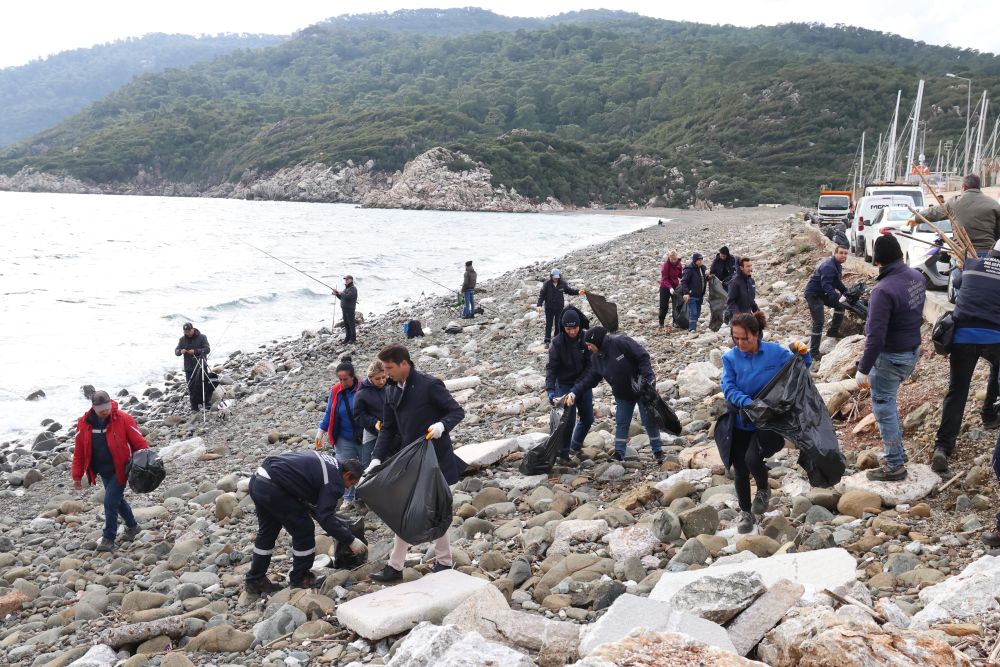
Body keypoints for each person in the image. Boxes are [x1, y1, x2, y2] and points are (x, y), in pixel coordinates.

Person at [367, 344, 466, 582]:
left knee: (435, 510)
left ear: (404, 364)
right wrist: (376, 458)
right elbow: (388, 428)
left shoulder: (429, 385)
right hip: (410, 460)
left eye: (390, 368)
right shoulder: (391, 389)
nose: (387, 373)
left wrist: (442, 425)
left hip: (436, 460)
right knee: (406, 510)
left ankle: (439, 562)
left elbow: (456, 411)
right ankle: (399, 566)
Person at [720, 312, 811, 533]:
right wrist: (747, 402)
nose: (740, 343)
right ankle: (745, 513)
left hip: (768, 421)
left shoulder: (774, 352)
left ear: (757, 334)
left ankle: (763, 490)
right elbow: (728, 386)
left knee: (753, 458)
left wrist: (804, 354)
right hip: (742, 419)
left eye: (745, 338)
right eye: (736, 338)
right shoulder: (730, 358)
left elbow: (798, 369)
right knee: (740, 468)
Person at [855, 235, 926, 481]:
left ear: (878, 261)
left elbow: (875, 337)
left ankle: (894, 464)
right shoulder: (917, 277)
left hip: (891, 357)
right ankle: (898, 452)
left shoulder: (882, 291)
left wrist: (862, 369)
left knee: (884, 405)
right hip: (911, 352)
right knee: (890, 402)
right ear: (900, 254)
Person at [245, 450, 365, 594]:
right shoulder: (335, 480)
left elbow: (306, 491)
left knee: (268, 532)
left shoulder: (330, 463)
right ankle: (300, 578)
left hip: (259, 480)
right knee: (304, 529)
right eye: (351, 482)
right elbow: (325, 517)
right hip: (274, 487)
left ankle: (255, 580)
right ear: (346, 474)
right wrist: (351, 540)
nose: (348, 487)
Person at [933, 239, 1000, 475]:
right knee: (996, 369)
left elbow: (957, 288)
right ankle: (989, 415)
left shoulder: (971, 264)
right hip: (994, 338)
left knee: (958, 389)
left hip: (961, 336)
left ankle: (943, 447)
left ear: (991, 252)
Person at [566, 327, 665, 464]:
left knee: (648, 420)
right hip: (622, 394)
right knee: (622, 422)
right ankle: (619, 453)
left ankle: (658, 451)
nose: (588, 348)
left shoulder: (621, 342)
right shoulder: (596, 358)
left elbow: (642, 356)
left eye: (589, 344)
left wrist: (649, 378)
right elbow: (590, 378)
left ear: (597, 341)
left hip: (643, 390)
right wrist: (574, 392)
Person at [71, 390, 148, 551]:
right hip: (102, 470)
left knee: (110, 502)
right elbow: (79, 451)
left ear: (110, 403)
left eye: (107, 407)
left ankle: (108, 538)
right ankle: (133, 527)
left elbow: (140, 443)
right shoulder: (84, 423)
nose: (105, 411)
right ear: (93, 408)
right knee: (117, 501)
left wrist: (145, 462)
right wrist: (77, 475)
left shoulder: (123, 419)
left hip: (121, 468)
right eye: (101, 409)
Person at [545, 309, 594, 463]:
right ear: (563, 328)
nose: (572, 332)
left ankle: (576, 445)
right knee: (568, 421)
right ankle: (564, 454)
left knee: (588, 418)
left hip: (583, 383)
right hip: (565, 384)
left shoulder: (586, 339)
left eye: (575, 328)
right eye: (568, 329)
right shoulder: (557, 343)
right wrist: (551, 390)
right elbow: (552, 368)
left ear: (579, 326)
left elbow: (591, 366)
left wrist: (579, 387)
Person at [316, 359, 362, 506]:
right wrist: (321, 431)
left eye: (345, 379)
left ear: (353, 377)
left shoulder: (363, 388)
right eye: (340, 379)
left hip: (363, 436)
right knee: (343, 468)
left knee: (366, 467)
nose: (342, 382)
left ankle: (364, 497)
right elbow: (329, 411)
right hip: (343, 436)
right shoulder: (336, 390)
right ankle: (348, 498)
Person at [924, 174, 1000, 254]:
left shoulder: (954, 202)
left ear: (963, 187)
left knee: (958, 265)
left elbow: (934, 212)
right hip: (986, 252)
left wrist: (915, 219)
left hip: (962, 253)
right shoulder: (993, 204)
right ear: (978, 187)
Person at [804, 246, 850, 358]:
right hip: (814, 294)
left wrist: (846, 292)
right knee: (818, 322)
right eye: (841, 253)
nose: (844, 255)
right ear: (835, 253)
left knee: (840, 306)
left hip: (822, 293)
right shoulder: (829, 266)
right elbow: (826, 285)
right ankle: (814, 352)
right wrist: (836, 296)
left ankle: (833, 331)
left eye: (845, 253)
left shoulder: (837, 265)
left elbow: (837, 282)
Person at [353, 359, 388, 492]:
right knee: (368, 464)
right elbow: (359, 416)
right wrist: (374, 423)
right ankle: (362, 496)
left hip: (391, 430)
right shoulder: (361, 394)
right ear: (370, 377)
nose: (381, 381)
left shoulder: (390, 386)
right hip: (371, 432)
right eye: (378, 379)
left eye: (384, 377)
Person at [537, 268, 585, 345]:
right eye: (554, 277)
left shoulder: (562, 283)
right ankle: (547, 341)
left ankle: (557, 339)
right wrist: (539, 305)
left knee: (558, 324)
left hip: (559, 307)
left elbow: (569, 291)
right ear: (551, 276)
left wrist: (578, 292)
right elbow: (542, 295)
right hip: (549, 307)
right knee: (549, 324)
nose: (556, 279)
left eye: (557, 277)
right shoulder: (546, 284)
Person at [174, 322, 213, 412]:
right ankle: (194, 405)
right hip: (188, 367)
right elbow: (176, 352)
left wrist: (195, 351)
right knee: (191, 386)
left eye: (189, 331)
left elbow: (207, 349)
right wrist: (180, 351)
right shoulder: (182, 339)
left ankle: (206, 403)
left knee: (203, 384)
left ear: (193, 329)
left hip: (200, 365)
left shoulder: (202, 337)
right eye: (185, 331)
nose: (187, 333)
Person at [680, 253, 708, 332]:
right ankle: (691, 329)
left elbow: (704, 279)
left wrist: (709, 277)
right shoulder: (689, 269)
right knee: (694, 312)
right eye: (699, 260)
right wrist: (686, 293)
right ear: (695, 261)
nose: (701, 261)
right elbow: (684, 281)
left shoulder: (703, 268)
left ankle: (693, 326)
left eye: (701, 259)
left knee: (698, 313)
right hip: (692, 295)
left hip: (700, 295)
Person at [659, 251, 683, 329]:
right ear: (669, 258)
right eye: (672, 259)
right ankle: (661, 322)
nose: (673, 261)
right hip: (665, 287)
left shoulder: (679, 264)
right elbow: (664, 279)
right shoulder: (666, 265)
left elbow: (680, 275)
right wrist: (670, 288)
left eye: (675, 259)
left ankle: (675, 322)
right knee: (664, 306)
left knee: (676, 305)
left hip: (675, 286)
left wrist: (686, 278)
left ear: (677, 258)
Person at [333, 275, 358, 344]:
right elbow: (342, 298)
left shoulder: (353, 289)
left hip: (350, 309)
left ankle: (353, 339)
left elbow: (348, 297)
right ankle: (347, 338)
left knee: (351, 324)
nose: (345, 281)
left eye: (347, 279)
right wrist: (337, 294)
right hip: (344, 309)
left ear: (351, 280)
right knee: (346, 324)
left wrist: (341, 293)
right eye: (345, 280)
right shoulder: (346, 289)